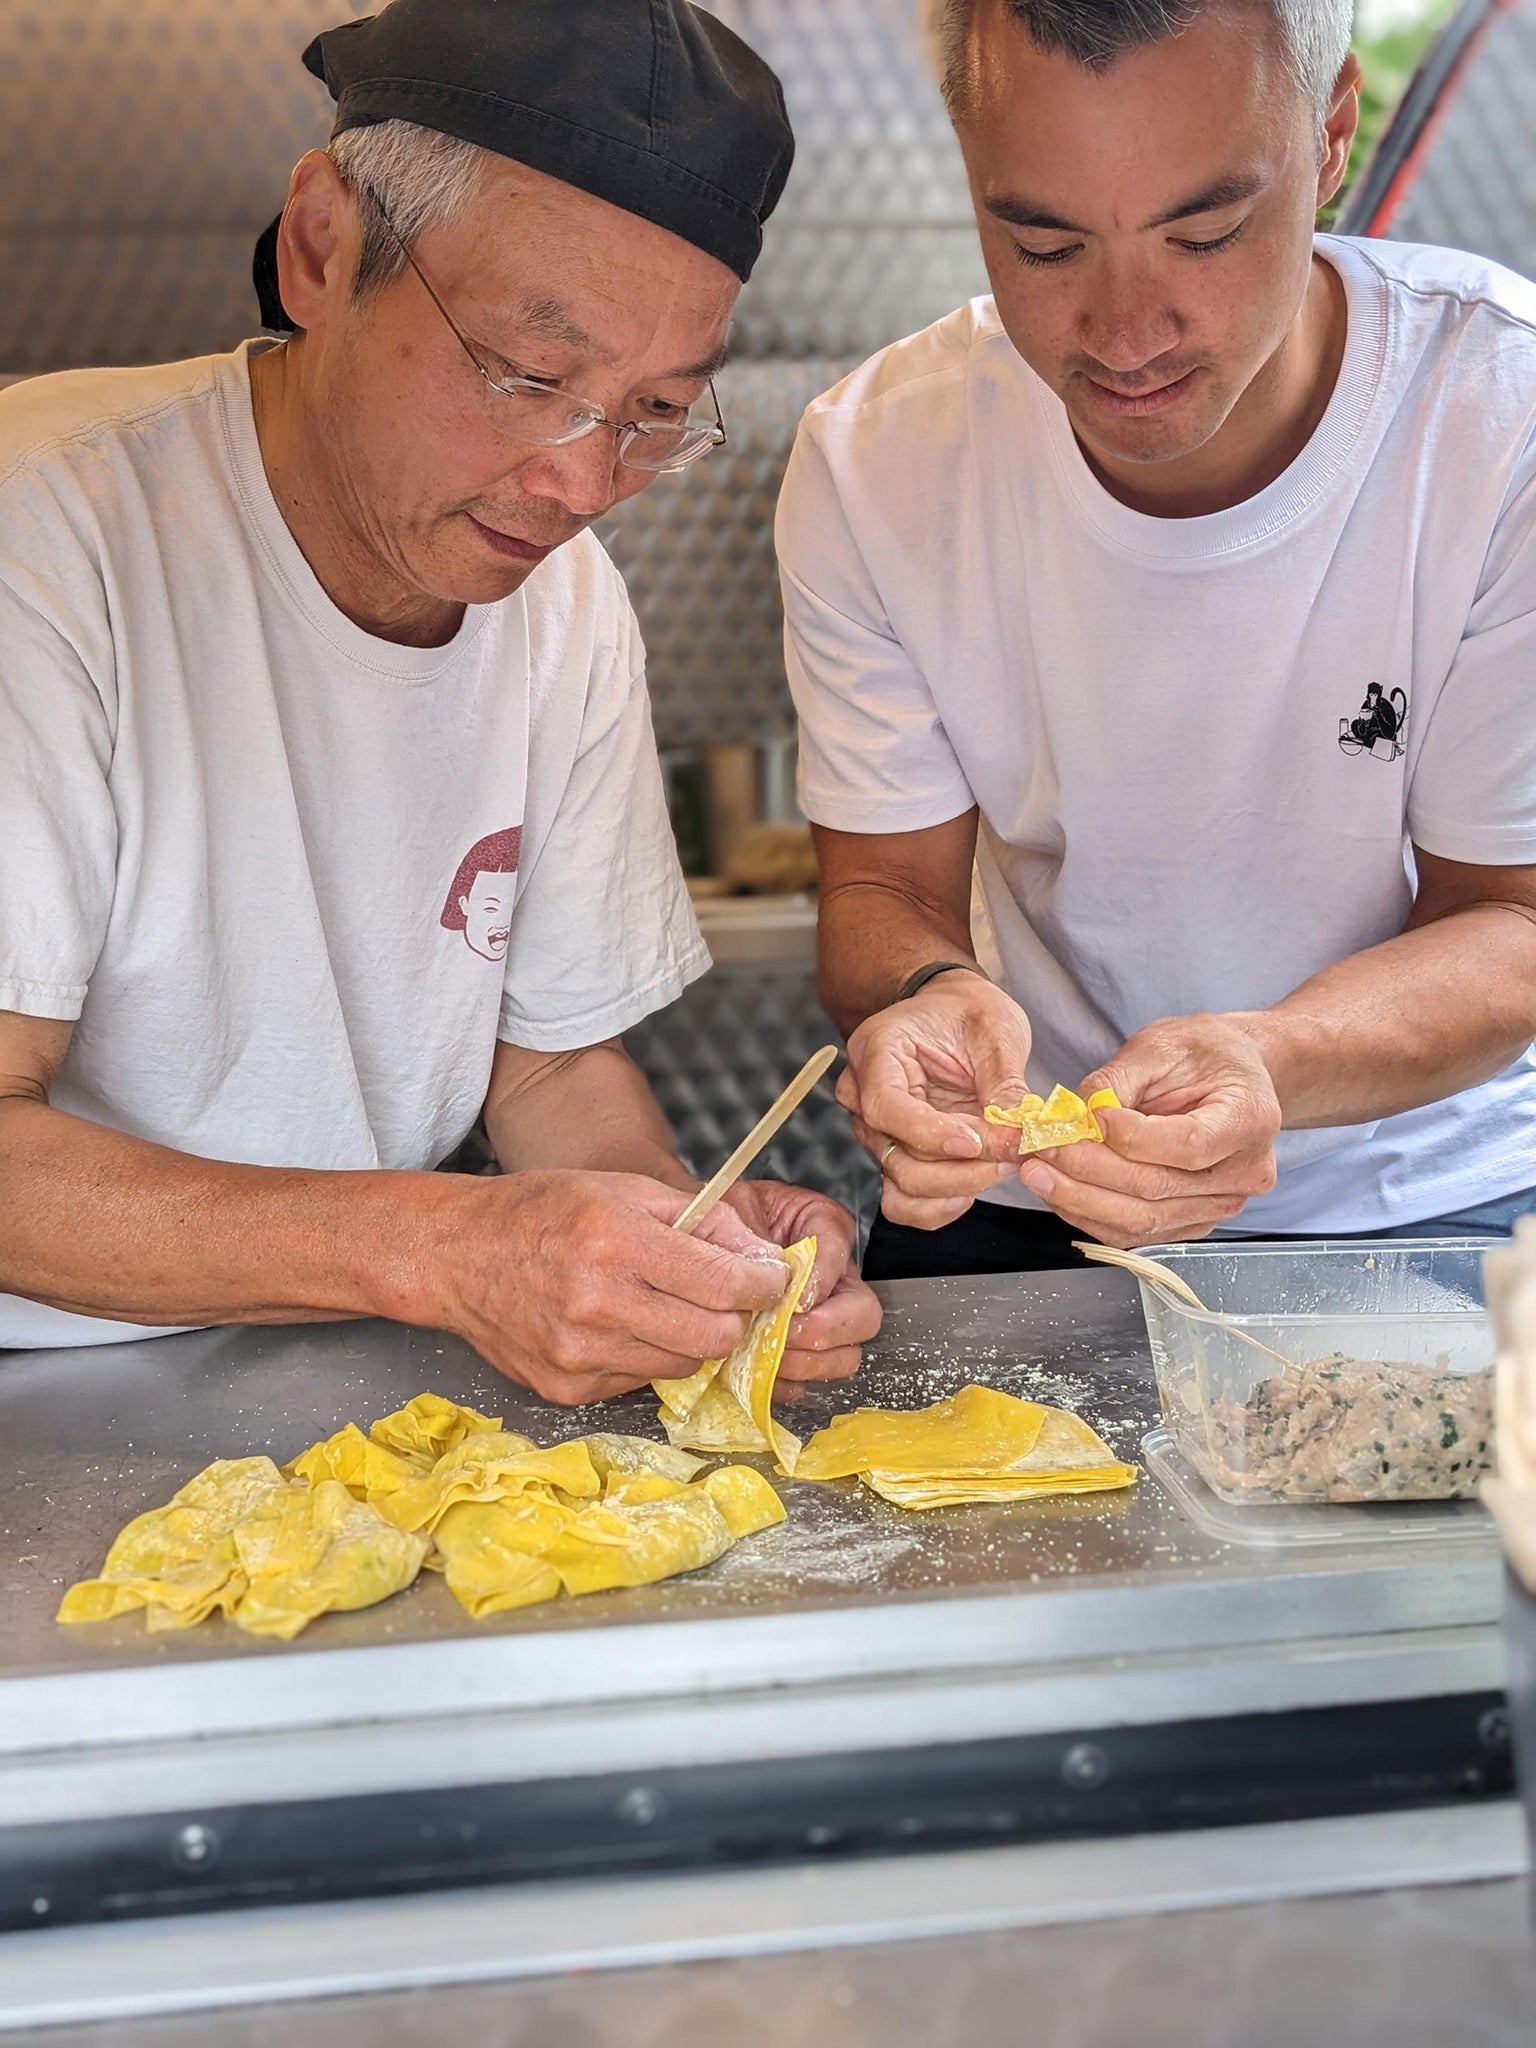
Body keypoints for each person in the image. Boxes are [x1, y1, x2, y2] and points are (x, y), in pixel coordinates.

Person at [0, 0, 881, 1395]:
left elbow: (543, 1075)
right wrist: (448, 1249)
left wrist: (685, 1257)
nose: (582, 485)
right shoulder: (45, 535)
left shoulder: (564, 602)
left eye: (657, 413)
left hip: (356, 1378)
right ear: (322, 248)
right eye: (529, 376)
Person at [778, 0, 1536, 1279]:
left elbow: (1511, 919)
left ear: (1334, 130)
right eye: (1044, 244)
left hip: (1428, 1192)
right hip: (1031, 1183)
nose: (1127, 332)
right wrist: (920, 998)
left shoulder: (1498, 422)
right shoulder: (876, 458)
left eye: (1207, 233)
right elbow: (881, 894)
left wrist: (1270, 1062)